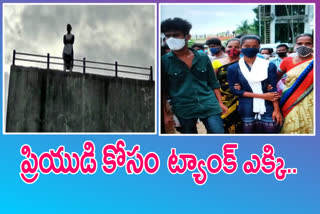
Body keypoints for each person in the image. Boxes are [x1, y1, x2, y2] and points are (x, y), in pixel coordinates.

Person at [161, 17, 228, 134]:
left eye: (176, 35)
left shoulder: (202, 57)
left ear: (187, 37)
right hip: (183, 107)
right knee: (190, 137)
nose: (171, 39)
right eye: (168, 36)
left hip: (208, 102)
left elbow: (213, 81)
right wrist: (165, 115)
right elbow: (163, 90)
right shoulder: (164, 61)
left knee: (217, 132)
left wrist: (220, 103)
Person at [227, 35, 283, 134]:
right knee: (249, 138)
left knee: (270, 135)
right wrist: (263, 95)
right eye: (247, 46)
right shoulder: (234, 68)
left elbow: (272, 89)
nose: (251, 49)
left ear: (258, 47)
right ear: (241, 47)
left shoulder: (269, 66)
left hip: (268, 107)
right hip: (246, 107)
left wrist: (277, 110)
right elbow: (234, 90)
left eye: (254, 46)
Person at [278, 33, 314, 134]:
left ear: (313, 45)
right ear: (295, 45)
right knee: (291, 127)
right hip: (290, 100)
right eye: (299, 43)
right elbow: (274, 79)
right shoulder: (287, 61)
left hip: (312, 102)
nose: (303, 46)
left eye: (308, 44)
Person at [212, 38, 242, 133]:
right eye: (230, 46)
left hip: (241, 97)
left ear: (242, 48)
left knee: (240, 123)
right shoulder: (217, 62)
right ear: (225, 48)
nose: (233, 49)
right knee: (223, 123)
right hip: (222, 99)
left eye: (237, 47)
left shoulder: (245, 62)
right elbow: (213, 82)